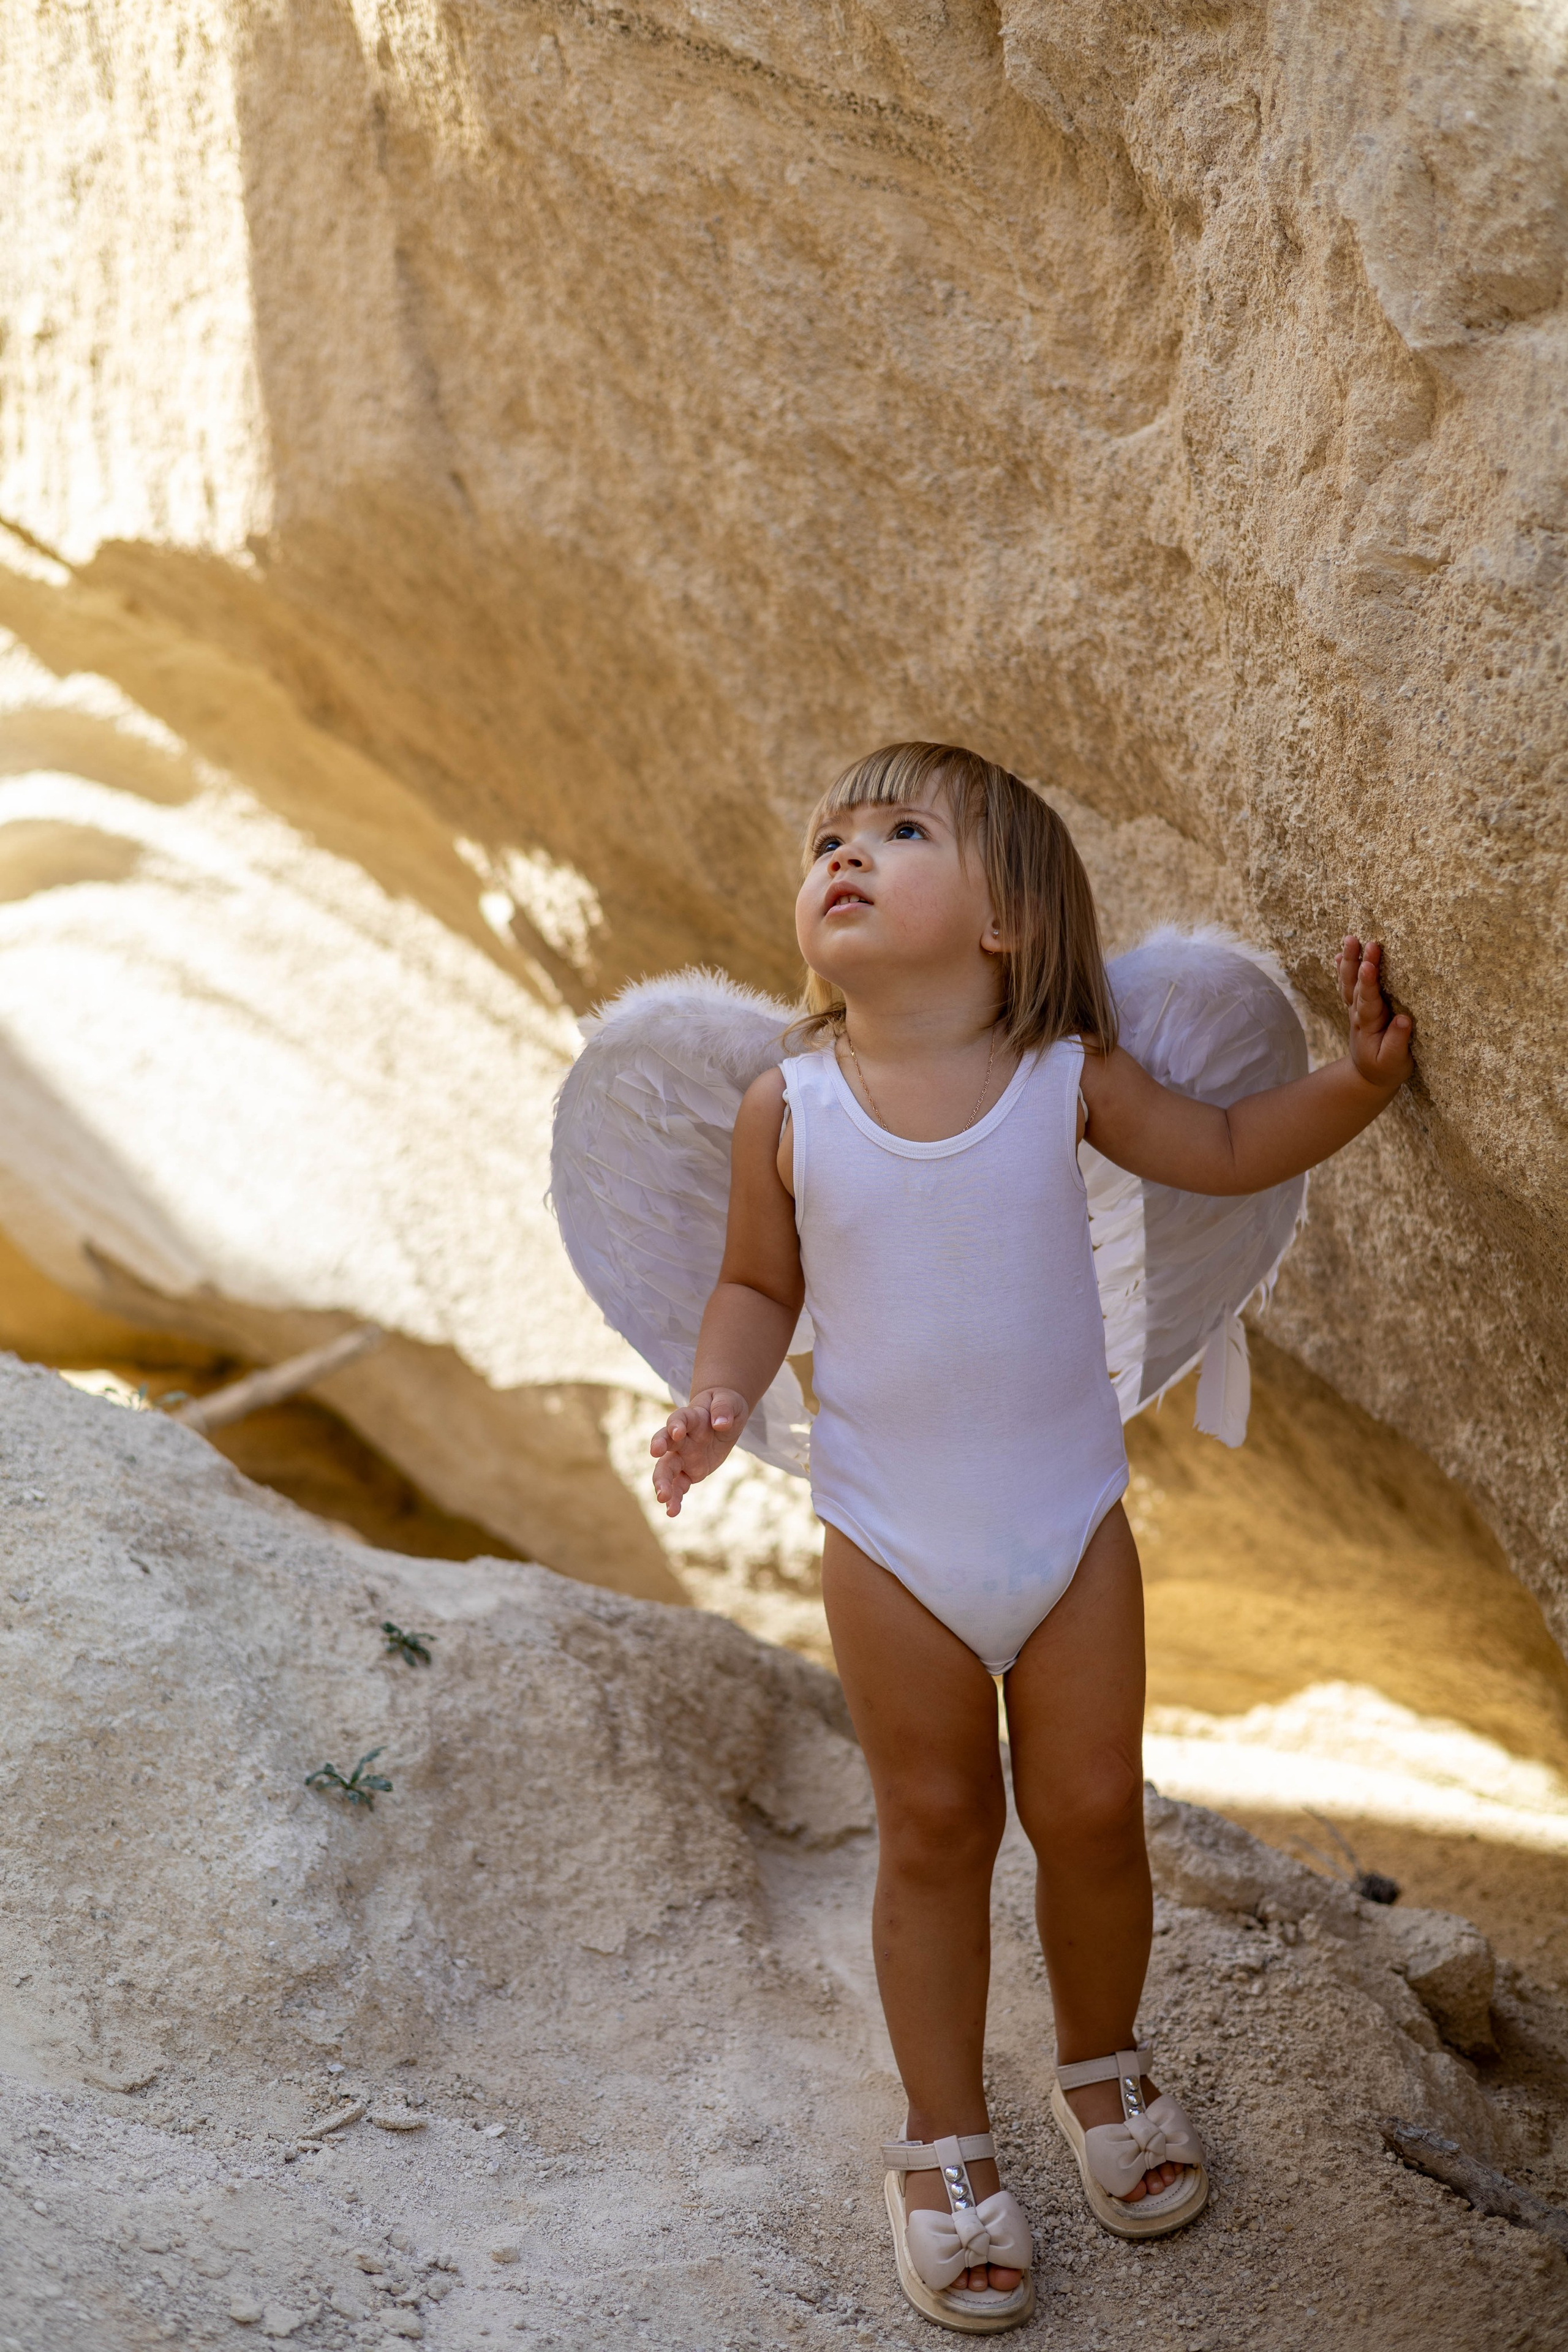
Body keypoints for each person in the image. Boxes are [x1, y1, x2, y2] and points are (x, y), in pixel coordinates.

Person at [647, 741, 1414, 2334]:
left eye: (900, 832)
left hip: (1066, 1527)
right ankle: (942, 2142)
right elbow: (755, 1287)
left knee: (1090, 1815)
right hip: (889, 1538)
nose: (844, 856)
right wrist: (719, 1401)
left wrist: (1358, 1084)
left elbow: (1217, 1153)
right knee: (933, 1828)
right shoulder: (784, 1106)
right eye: (827, 839)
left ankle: (1101, 2061)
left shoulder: (1065, 1073)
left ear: (1008, 921)